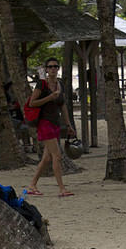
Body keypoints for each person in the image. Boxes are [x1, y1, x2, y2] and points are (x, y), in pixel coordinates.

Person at [26, 57, 76, 197]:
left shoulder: (60, 85)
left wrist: (68, 124)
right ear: (46, 69)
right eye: (50, 67)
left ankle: (32, 185)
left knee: (47, 158)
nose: (53, 69)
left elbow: (63, 106)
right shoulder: (41, 85)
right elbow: (32, 103)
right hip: (44, 123)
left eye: (55, 66)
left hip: (55, 123)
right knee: (57, 156)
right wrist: (49, 97)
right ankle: (61, 189)